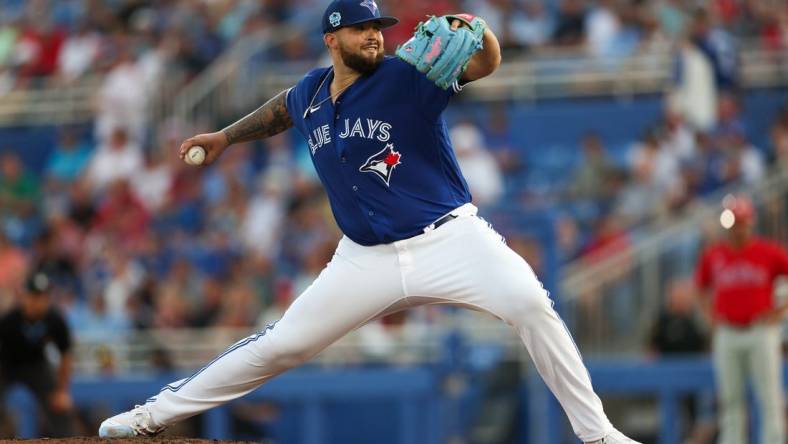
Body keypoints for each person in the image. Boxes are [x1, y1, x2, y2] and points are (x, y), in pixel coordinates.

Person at [99, 2, 639, 443]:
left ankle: (598, 435)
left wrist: (483, 33)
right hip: (363, 257)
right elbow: (281, 111)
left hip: (449, 238)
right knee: (281, 344)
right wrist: (224, 137)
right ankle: (153, 416)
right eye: (361, 29)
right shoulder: (312, 90)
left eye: (378, 28)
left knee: (530, 305)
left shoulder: (408, 77)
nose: (375, 37)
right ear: (332, 38)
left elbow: (483, 65)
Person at [695, 194, 788, 444]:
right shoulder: (714, 255)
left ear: (750, 223)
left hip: (761, 330)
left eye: (740, 223)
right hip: (728, 331)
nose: (736, 229)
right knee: (731, 400)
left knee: (770, 398)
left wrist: (781, 311)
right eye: (733, 224)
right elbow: (701, 288)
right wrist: (709, 316)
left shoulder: (768, 251)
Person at [0, 270, 75, 437]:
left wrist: (63, 391)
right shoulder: (9, 320)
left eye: (44, 296)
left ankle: (68, 439)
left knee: (58, 404)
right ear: (24, 296)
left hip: (36, 365)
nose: (39, 301)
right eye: (34, 296)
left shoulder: (54, 320)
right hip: (6, 365)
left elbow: (65, 355)